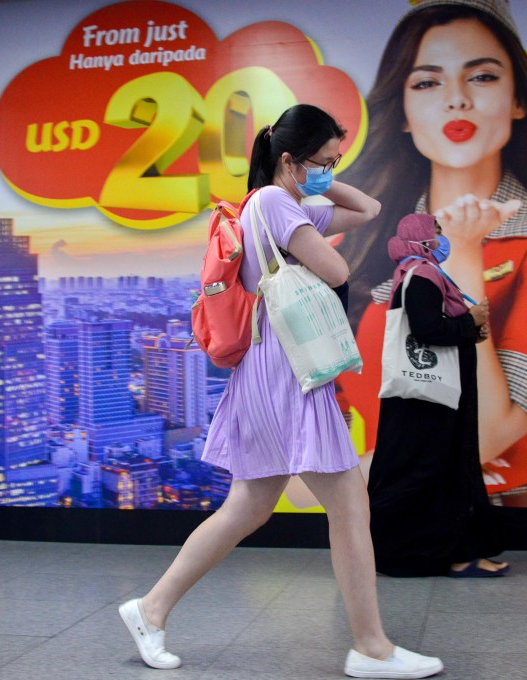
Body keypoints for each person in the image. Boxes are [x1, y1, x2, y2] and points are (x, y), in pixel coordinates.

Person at [118, 104, 444, 679]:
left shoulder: (281, 205)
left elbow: (366, 209)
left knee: (248, 505)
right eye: (320, 161)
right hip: (288, 367)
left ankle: (150, 609)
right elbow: (340, 274)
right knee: (346, 502)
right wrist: (299, 183)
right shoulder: (273, 203)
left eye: (334, 161)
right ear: (289, 161)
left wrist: (317, 174)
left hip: (271, 367)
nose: (329, 172)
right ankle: (370, 647)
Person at [336, 0, 527, 511]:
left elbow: (490, 432)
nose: (457, 101)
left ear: (519, 100)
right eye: (427, 83)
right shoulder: (362, 248)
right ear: (401, 112)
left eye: (482, 77)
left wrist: (464, 256)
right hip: (385, 517)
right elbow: (320, 421)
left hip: (503, 520)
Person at [368, 213, 527, 578]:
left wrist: (467, 326)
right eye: (436, 234)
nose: (442, 240)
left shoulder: (417, 273)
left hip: (426, 397)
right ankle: (445, 554)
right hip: (430, 399)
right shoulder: (423, 275)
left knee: (432, 471)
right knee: (434, 471)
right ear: (421, 238)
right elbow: (427, 328)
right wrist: (469, 320)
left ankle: (449, 552)